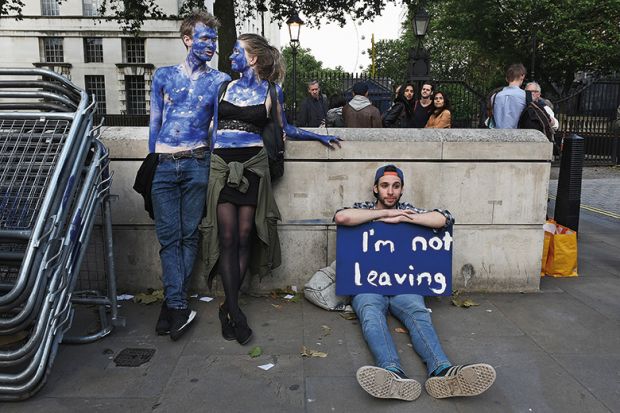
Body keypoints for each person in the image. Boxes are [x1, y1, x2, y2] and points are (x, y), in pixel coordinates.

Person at [203, 33, 341, 345]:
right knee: (226, 237)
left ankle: (229, 307)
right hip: (223, 166)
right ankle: (235, 311)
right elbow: (211, 129)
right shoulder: (222, 87)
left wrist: (319, 137)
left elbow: (286, 129)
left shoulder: (271, 90)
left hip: (253, 165)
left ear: (252, 58)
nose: (230, 56)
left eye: (236, 51)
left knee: (242, 237)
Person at [334, 165, 496, 401]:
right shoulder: (363, 209)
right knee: (370, 313)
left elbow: (444, 218)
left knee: (418, 313)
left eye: (396, 186)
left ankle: (442, 370)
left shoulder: (409, 210)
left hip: (404, 284)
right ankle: (392, 372)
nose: (390, 191)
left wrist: (406, 217)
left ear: (401, 191)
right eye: (385, 186)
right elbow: (342, 217)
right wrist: (385, 215)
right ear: (375, 189)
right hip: (368, 284)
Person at [148, 10, 230, 341]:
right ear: (187, 39)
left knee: (189, 235)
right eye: (205, 38)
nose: (211, 45)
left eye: (214, 39)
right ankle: (177, 303)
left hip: (198, 161)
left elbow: (217, 128)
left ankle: (174, 305)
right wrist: (152, 160)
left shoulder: (219, 80)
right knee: (169, 237)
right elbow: (154, 121)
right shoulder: (164, 76)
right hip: (164, 164)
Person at [493, 63, 527, 128]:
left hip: (497, 136)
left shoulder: (495, 96)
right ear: (522, 76)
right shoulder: (526, 96)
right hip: (520, 136)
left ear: (507, 78)